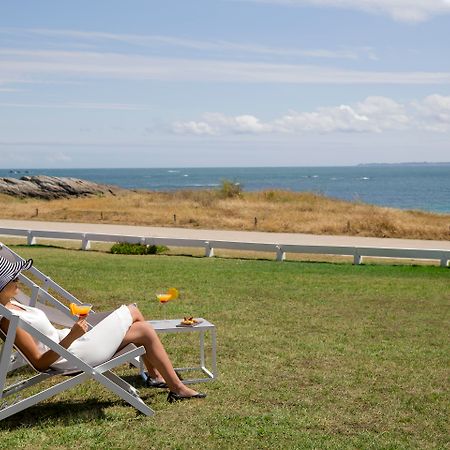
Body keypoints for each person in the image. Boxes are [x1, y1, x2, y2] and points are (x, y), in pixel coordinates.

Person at [0, 254, 206, 403]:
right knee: (133, 313)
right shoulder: (8, 319)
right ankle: (171, 384)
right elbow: (40, 362)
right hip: (70, 355)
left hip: (72, 345)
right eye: (12, 278)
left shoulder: (13, 305)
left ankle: (161, 379)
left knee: (142, 327)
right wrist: (72, 336)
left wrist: (72, 335)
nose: (18, 279)